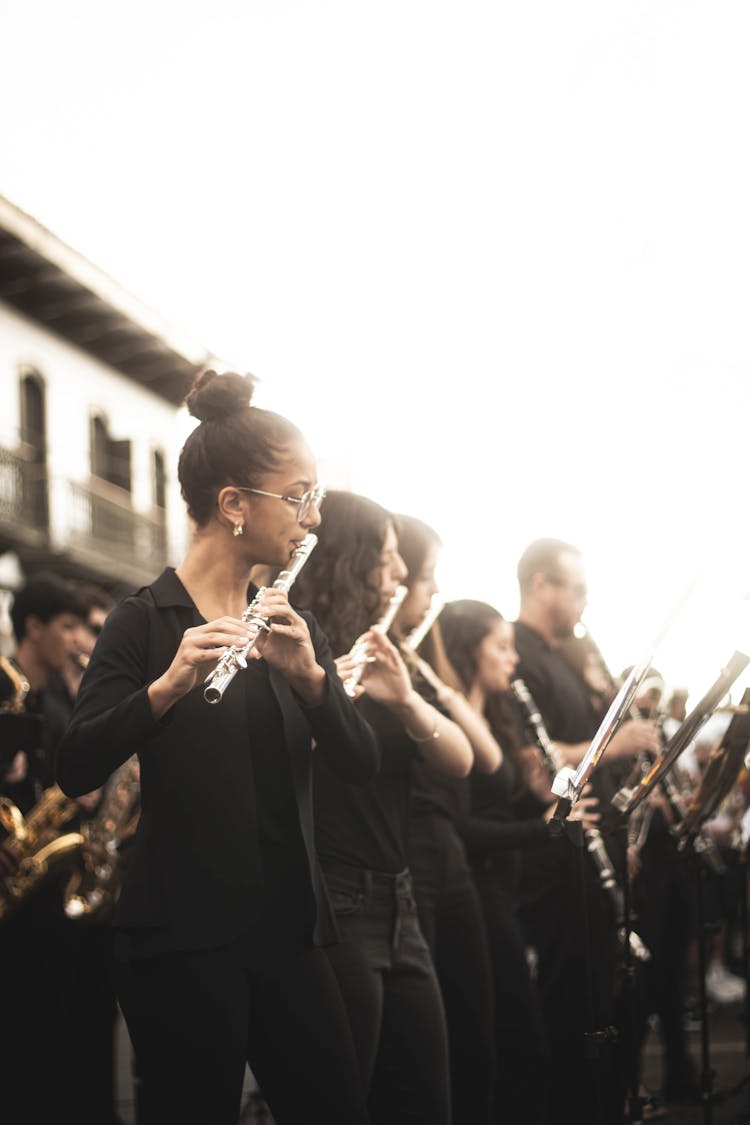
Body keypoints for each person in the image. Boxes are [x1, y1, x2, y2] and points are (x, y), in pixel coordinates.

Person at [56, 370, 380, 1125]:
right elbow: (75, 763)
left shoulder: (288, 622)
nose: (313, 515)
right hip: (181, 940)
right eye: (297, 495)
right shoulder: (143, 620)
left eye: (315, 494)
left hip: (289, 933)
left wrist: (314, 684)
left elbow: (358, 763)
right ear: (233, 505)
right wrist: (165, 688)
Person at [292, 490, 473, 1125]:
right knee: (343, 1104)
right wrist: (325, 696)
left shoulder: (388, 648)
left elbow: (461, 761)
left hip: (401, 901)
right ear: (352, 559)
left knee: (425, 1099)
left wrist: (405, 700)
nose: (400, 574)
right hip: (334, 903)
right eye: (390, 557)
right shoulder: (296, 644)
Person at [512, 538, 661, 1125]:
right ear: (540, 584)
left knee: (616, 994)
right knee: (573, 1002)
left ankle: (611, 1100)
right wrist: (609, 746)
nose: (584, 601)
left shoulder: (566, 654)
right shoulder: (517, 650)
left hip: (598, 846)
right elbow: (526, 757)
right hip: (557, 859)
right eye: (576, 587)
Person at [394, 515, 501, 1125]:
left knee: (475, 1028)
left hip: (446, 855)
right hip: (411, 852)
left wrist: (426, 677)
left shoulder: (413, 660)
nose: (432, 593)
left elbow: (481, 756)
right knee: (430, 1049)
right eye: (424, 578)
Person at [0, 573, 85, 1121]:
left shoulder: (57, 697)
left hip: (42, 892)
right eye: (68, 625)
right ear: (33, 626)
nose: (79, 640)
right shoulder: (8, 686)